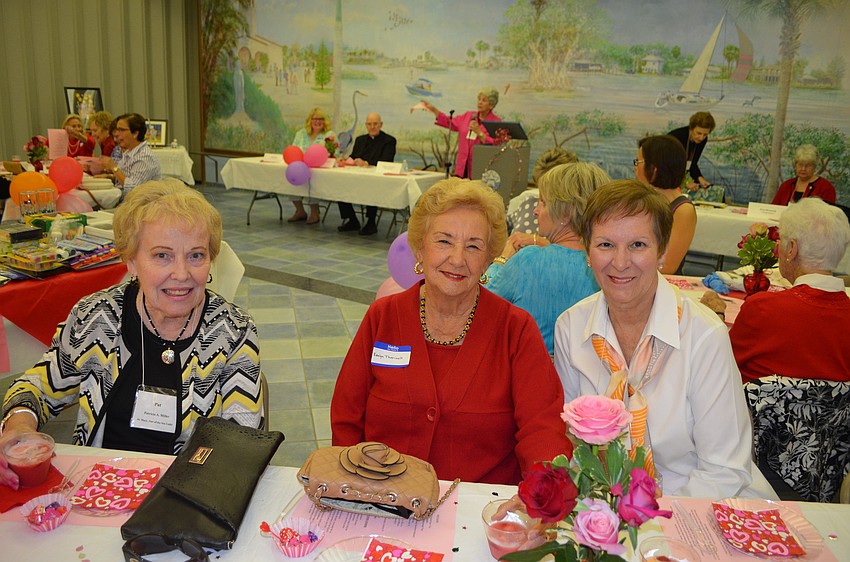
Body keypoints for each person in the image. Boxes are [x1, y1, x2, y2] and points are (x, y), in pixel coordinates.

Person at [0, 181, 264, 488]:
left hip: (188, 491)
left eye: (196, 255)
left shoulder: (232, 330)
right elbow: (39, 387)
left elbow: (241, 439)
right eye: (162, 256)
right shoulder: (96, 316)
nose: (181, 274)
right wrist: (19, 422)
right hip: (95, 487)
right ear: (132, 260)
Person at [331, 178, 571, 485]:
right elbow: (346, 418)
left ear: (488, 259)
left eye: (473, 246)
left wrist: (543, 494)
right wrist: (354, 484)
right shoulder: (383, 317)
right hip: (383, 501)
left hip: (477, 507)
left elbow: (543, 428)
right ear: (420, 248)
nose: (457, 259)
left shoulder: (516, 329)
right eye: (444, 241)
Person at [553, 180, 775, 499]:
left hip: (702, 502)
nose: (620, 261)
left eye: (638, 245)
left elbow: (724, 470)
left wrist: (651, 520)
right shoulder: (572, 328)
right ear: (587, 251)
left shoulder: (704, 336)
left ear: (663, 252)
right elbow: (575, 445)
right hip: (609, 505)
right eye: (605, 245)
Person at [486, 163, 609, 355]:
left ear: (565, 214)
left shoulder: (528, 260)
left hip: (527, 375)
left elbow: (479, 301)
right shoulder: (608, 266)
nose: (536, 210)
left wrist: (501, 260)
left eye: (542, 202)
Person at [731, 198, 850, 383]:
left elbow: (721, 364)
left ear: (792, 249)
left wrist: (716, 316)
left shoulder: (763, 309)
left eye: (782, 241)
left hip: (754, 412)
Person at [636, 135, 695, 275]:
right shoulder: (643, 199)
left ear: (654, 169)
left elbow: (667, 267)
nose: (635, 167)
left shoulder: (682, 210)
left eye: (638, 161)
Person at [420, 87, 501, 178]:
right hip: (462, 167)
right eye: (479, 99)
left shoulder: (496, 122)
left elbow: (496, 145)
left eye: (484, 100)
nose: (480, 102)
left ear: (491, 105)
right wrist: (434, 110)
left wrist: (479, 132)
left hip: (480, 168)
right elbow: (449, 122)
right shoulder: (468, 116)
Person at [337, 112, 397, 235]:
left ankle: (371, 222)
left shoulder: (389, 141)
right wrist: (345, 160)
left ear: (381, 125)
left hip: (378, 180)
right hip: (358, 177)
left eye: (375, 124)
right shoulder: (360, 140)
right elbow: (353, 157)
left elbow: (387, 160)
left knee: (372, 187)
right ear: (366, 125)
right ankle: (352, 219)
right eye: (369, 124)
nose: (372, 127)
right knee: (340, 183)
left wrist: (366, 162)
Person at [507, 147, 579, 235]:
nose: (536, 210)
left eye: (551, 189)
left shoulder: (578, 216)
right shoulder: (529, 202)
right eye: (541, 187)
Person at [289, 107, 335, 224]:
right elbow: (294, 149)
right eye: (315, 119)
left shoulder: (329, 135)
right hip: (299, 167)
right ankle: (300, 211)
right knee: (291, 180)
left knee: (314, 182)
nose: (317, 121)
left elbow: (332, 153)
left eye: (321, 119)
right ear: (310, 120)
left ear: (325, 121)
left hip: (318, 170)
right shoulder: (300, 133)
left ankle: (314, 213)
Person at [100, 113, 161, 198]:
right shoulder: (129, 152)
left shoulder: (144, 157)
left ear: (135, 133)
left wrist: (114, 168)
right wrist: (110, 177)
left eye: (121, 130)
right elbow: (126, 178)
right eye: (117, 130)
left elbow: (133, 190)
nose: (117, 134)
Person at [771, 144, 836, 205]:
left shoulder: (826, 187)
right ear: (795, 165)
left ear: (814, 167)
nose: (803, 169)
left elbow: (829, 215)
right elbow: (774, 209)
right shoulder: (786, 186)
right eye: (800, 164)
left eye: (808, 165)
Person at [667, 111, 715, 191]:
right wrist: (685, 183)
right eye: (698, 133)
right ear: (691, 128)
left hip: (682, 176)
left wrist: (700, 178)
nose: (701, 138)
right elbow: (667, 167)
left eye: (705, 134)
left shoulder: (702, 140)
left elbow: (693, 163)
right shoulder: (676, 137)